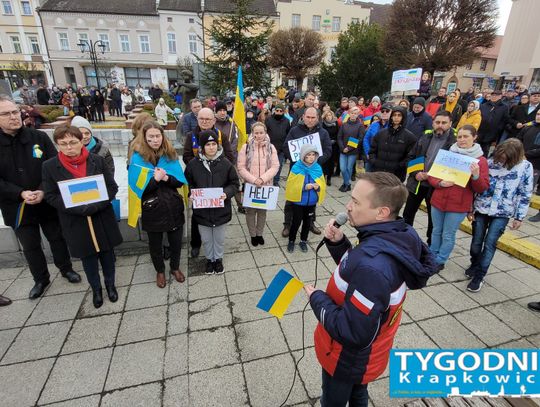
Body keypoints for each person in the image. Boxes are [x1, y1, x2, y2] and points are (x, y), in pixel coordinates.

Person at [304, 172, 437, 407]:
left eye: (356, 202)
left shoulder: (372, 266)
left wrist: (317, 298)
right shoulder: (397, 234)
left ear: (381, 212)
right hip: (367, 356)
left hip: (346, 358)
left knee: (334, 399)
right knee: (358, 392)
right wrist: (339, 244)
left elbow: (351, 332)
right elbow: (359, 273)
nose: (348, 207)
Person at [0, 96, 80, 299]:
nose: (13, 117)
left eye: (15, 112)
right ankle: (41, 279)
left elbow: (55, 166)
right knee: (30, 245)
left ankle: (66, 268)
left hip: (46, 201)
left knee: (56, 237)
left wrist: (44, 190)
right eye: (6, 114)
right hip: (17, 206)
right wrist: (19, 193)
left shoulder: (39, 137)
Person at [42, 126, 122, 308]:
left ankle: (110, 285)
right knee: (88, 258)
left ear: (81, 141)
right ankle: (96, 289)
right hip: (75, 221)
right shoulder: (49, 166)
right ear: (57, 145)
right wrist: (74, 207)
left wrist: (96, 205)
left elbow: (112, 187)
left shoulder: (97, 161)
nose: (69, 147)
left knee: (107, 255)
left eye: (73, 142)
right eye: (63, 144)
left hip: (100, 216)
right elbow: (50, 195)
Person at [465, 139, 533, 292]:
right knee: (476, 243)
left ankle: (479, 276)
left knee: (489, 244)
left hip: (503, 212)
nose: (501, 160)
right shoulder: (489, 162)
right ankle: (474, 263)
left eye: (505, 158)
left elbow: (525, 193)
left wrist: (519, 217)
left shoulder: (525, 167)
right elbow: (476, 187)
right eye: (500, 156)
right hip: (482, 208)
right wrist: (470, 208)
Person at [130, 121, 187, 288]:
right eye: (151, 137)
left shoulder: (170, 156)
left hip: (173, 208)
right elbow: (138, 189)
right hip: (152, 210)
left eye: (158, 136)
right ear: (144, 138)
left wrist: (166, 178)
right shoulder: (137, 159)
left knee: (176, 243)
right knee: (155, 245)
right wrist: (155, 180)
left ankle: (175, 268)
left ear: (162, 136)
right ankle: (160, 271)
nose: (155, 140)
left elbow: (179, 182)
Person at [428, 125, 489, 270]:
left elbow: (482, 188)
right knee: (436, 230)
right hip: (439, 200)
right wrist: (440, 183)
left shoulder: (480, 161)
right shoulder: (448, 154)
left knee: (448, 234)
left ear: (474, 137)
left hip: (458, 205)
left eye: (466, 136)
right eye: (459, 137)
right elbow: (432, 175)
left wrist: (475, 175)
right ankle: (431, 255)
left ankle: (440, 260)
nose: (462, 140)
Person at [185, 130, 240, 274]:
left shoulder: (226, 163)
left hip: (221, 210)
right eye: (208, 144)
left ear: (218, 145)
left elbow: (235, 184)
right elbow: (188, 183)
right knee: (207, 238)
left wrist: (225, 193)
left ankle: (218, 259)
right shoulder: (193, 164)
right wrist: (191, 193)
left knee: (219, 238)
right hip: (202, 212)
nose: (211, 147)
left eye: (214, 144)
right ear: (202, 147)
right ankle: (210, 259)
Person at [183, 107, 235, 257]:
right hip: (200, 183)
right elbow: (186, 155)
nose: (205, 122)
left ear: (214, 120)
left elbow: (230, 156)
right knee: (197, 217)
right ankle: (196, 245)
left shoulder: (220, 135)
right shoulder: (191, 135)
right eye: (201, 119)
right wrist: (198, 165)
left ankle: (216, 248)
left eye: (208, 119)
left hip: (217, 183)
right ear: (197, 119)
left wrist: (220, 167)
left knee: (217, 216)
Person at [402, 111, 456, 245]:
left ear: (450, 124)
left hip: (437, 188)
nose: (440, 126)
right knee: (407, 214)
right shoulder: (424, 137)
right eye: (437, 122)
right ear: (433, 123)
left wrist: (434, 177)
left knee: (434, 221)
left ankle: (432, 245)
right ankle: (406, 241)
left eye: (444, 123)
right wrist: (416, 173)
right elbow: (411, 157)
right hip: (417, 183)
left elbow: (453, 169)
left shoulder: (454, 144)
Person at [282, 107, 332, 237]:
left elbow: (328, 150)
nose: (310, 120)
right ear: (303, 117)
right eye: (308, 117)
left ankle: (310, 223)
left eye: (313, 117)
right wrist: (296, 160)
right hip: (297, 170)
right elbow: (286, 146)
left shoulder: (323, 133)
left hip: (314, 171)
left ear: (318, 118)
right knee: (291, 196)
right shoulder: (294, 131)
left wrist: (316, 161)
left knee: (312, 196)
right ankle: (287, 224)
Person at [237, 122, 279, 246]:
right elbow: (241, 167)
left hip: (265, 186)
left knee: (262, 212)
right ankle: (253, 235)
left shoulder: (271, 148)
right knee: (250, 212)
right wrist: (254, 180)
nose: (259, 135)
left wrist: (263, 179)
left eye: (261, 132)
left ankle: (259, 233)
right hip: (250, 185)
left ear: (265, 133)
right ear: (252, 133)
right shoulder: (246, 147)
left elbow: (275, 166)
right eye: (256, 133)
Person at [285, 144, 326, 253]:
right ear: (303, 156)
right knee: (296, 222)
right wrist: (304, 187)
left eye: (313, 154)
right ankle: (291, 240)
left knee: (307, 223)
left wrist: (318, 187)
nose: (311, 157)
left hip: (311, 202)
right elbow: (291, 185)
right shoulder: (296, 167)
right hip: (298, 202)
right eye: (308, 155)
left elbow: (322, 184)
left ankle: (303, 241)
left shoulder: (317, 168)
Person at [369, 106, 416, 182]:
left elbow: (410, 156)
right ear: (391, 117)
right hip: (379, 172)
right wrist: (374, 161)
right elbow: (372, 150)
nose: (396, 117)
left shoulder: (410, 137)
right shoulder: (381, 133)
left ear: (403, 117)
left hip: (396, 175)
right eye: (394, 115)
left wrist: (400, 166)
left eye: (399, 115)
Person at [517, 110, 540, 222]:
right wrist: (520, 152)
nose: (538, 116)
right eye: (538, 114)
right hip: (522, 160)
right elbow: (518, 140)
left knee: (529, 187)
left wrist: (526, 154)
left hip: (536, 164)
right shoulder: (529, 127)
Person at [337, 106, 365, 191]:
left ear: (358, 115)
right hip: (343, 150)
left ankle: (345, 184)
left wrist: (349, 148)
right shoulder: (344, 124)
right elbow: (339, 137)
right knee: (342, 168)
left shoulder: (360, 126)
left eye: (355, 113)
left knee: (349, 168)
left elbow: (360, 139)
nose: (353, 115)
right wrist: (342, 148)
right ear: (349, 114)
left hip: (353, 152)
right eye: (352, 113)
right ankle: (347, 183)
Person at [477, 90, 512, 156]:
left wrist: (499, 128)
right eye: (493, 95)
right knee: (477, 148)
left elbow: (505, 119)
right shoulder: (484, 105)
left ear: (500, 96)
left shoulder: (504, 107)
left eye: (497, 95)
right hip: (480, 130)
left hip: (492, 132)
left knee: (485, 149)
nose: (494, 97)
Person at [265, 103, 291, 186]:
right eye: (277, 110)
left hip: (281, 148)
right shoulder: (268, 119)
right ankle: (268, 179)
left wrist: (285, 146)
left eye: (281, 111)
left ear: (283, 112)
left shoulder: (286, 121)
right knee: (268, 165)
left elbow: (288, 133)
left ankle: (276, 181)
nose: (279, 112)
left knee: (278, 165)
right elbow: (265, 132)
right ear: (274, 111)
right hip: (269, 147)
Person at [363, 104, 391, 172]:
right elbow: (366, 139)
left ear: (391, 113)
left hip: (383, 159)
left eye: (387, 111)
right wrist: (367, 152)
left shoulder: (392, 127)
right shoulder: (374, 125)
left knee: (379, 179)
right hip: (370, 156)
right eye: (382, 111)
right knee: (368, 178)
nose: (384, 113)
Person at [321, 110, 339, 186]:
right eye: (327, 115)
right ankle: (323, 176)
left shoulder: (336, 124)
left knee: (331, 163)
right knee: (324, 162)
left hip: (333, 146)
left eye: (330, 115)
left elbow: (338, 133)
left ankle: (329, 178)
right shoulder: (322, 124)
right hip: (324, 146)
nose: (328, 117)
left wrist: (334, 140)